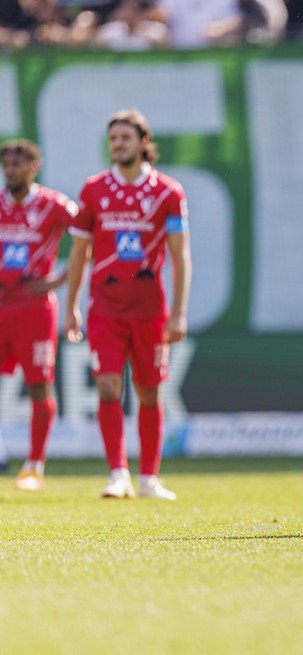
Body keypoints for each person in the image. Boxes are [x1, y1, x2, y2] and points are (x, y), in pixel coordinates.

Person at [64, 109, 191, 500]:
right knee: (106, 386)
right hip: (105, 308)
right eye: (113, 138)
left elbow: (179, 255)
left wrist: (179, 312)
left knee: (150, 392)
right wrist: (70, 305)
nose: (117, 144)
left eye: (124, 137)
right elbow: (79, 253)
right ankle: (118, 473)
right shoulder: (93, 189)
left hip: (150, 309)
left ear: (143, 142)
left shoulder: (169, 192)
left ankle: (150, 477)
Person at [0, 139, 78, 490]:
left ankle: (34, 466)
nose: (10, 171)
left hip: (35, 310)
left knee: (37, 385)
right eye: (6, 165)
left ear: (33, 167)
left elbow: (89, 236)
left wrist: (61, 278)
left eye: (17, 164)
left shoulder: (53, 204)